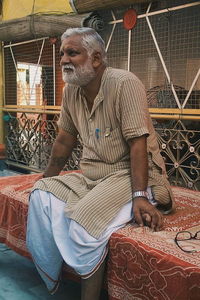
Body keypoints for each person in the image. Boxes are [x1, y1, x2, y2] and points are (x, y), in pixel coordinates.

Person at [26, 27, 174, 300]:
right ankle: (54, 281)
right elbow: (64, 139)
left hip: (130, 174)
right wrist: (45, 177)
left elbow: (137, 143)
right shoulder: (72, 90)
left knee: (84, 220)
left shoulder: (124, 83)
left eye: (72, 53)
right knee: (41, 195)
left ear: (96, 58)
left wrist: (139, 196)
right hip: (93, 175)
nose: (63, 60)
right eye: (62, 54)